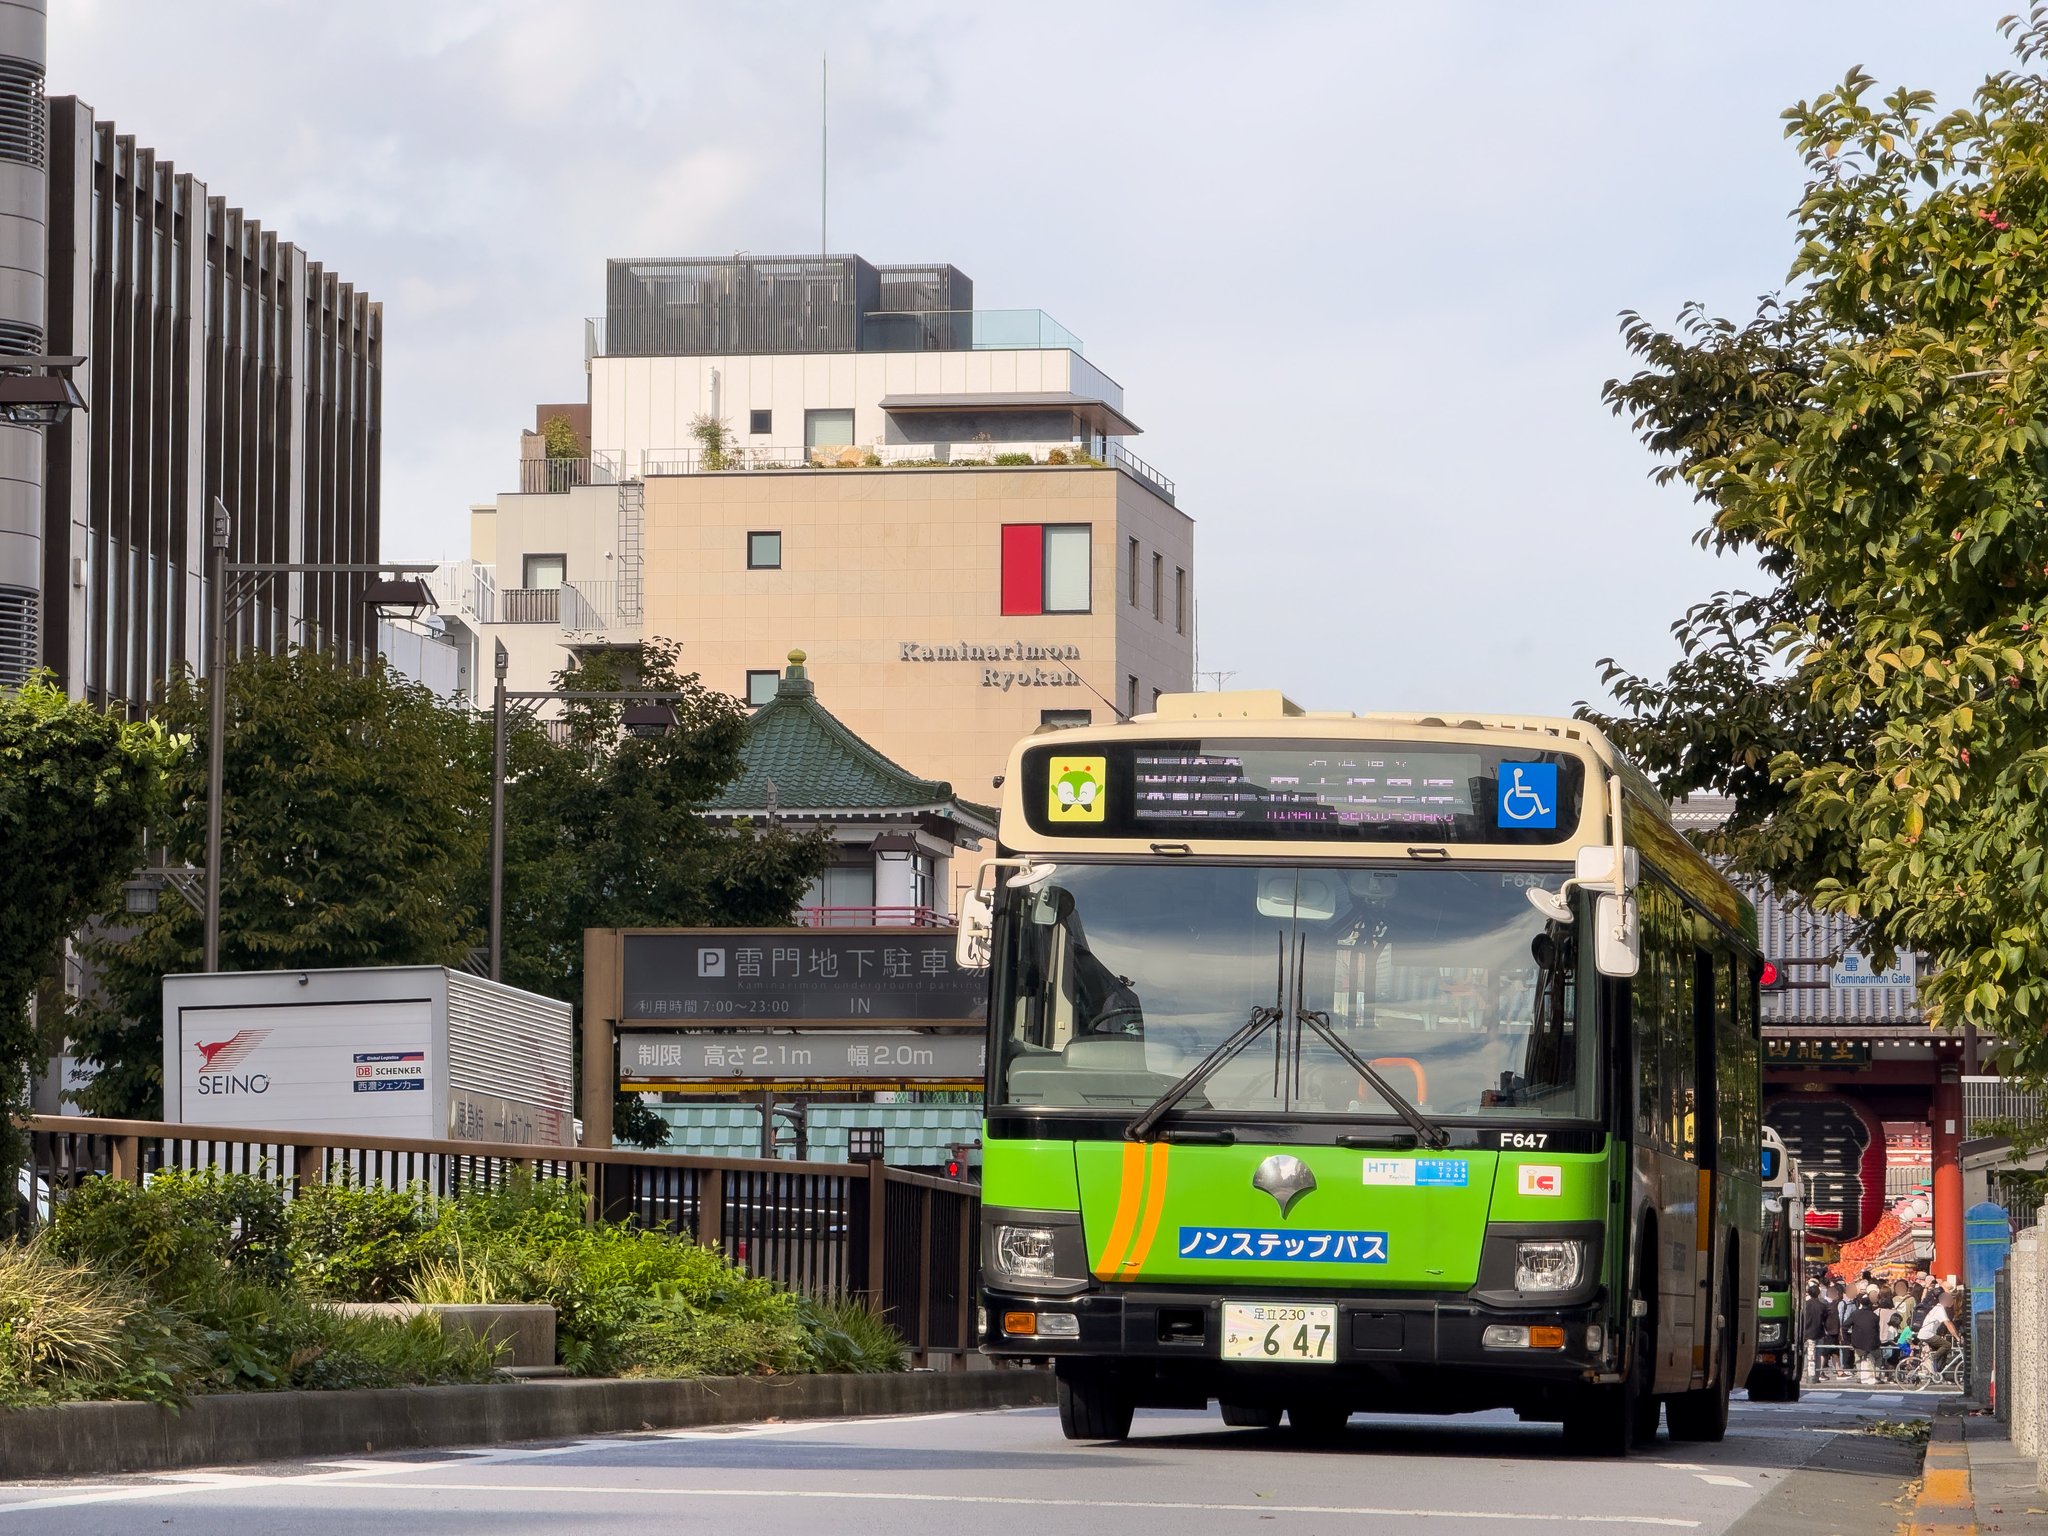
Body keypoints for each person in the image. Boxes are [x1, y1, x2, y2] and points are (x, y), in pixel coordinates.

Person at [1848, 1290, 1882, 1384]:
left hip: (1858, 1342)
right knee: (1878, 1358)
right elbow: (1877, 1330)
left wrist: (1849, 1336)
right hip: (1872, 1343)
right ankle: (1877, 1376)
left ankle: (1859, 1376)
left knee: (1858, 1357)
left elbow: (1845, 1325)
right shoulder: (1875, 1316)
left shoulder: (1855, 1314)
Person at [1802, 1282, 1833, 1379]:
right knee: (1818, 1354)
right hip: (1819, 1332)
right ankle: (1817, 1373)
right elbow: (1825, 1320)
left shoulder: (1805, 1305)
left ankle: (1807, 1372)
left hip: (1807, 1331)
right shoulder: (1822, 1306)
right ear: (1818, 1293)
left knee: (1808, 1353)